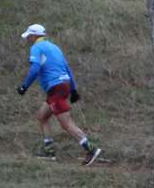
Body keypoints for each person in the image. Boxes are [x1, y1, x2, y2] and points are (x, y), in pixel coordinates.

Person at [18, 24, 101, 165]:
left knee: (66, 124)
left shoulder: (36, 48)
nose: (28, 39)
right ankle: (49, 151)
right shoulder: (54, 47)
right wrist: (74, 89)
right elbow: (67, 68)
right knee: (42, 116)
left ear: (34, 36)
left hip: (55, 87)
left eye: (28, 37)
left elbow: (35, 69)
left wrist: (24, 86)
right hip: (63, 85)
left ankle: (91, 149)